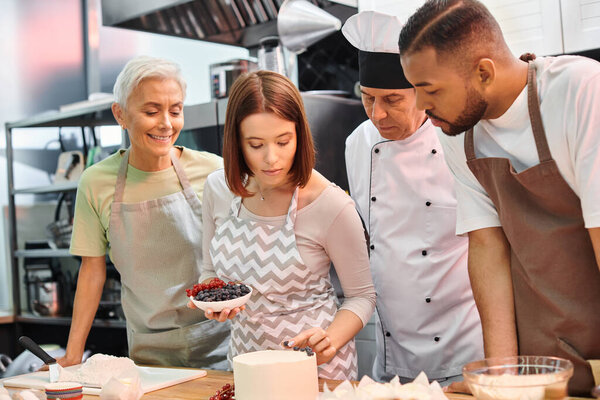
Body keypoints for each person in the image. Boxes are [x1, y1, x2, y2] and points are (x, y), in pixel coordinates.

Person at [398, 0, 600, 396]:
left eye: (430, 90)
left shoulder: (580, 91)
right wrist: (501, 378)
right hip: (544, 355)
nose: (421, 107)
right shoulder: (460, 131)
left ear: (484, 72)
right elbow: (487, 247)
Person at [195, 70, 376, 381]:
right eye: (255, 144)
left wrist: (329, 340)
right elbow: (210, 273)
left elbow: (362, 296)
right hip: (246, 362)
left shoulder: (330, 204)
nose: (271, 158)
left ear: (299, 135)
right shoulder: (218, 189)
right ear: (236, 142)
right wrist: (214, 303)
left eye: (283, 141)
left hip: (317, 368)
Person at [342, 11, 483, 386]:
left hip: (461, 351)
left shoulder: (458, 137)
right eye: (368, 99)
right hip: (391, 355)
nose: (378, 114)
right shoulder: (357, 144)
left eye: (392, 99)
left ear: (421, 92)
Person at [61, 56, 230, 369]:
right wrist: (73, 355)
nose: (166, 123)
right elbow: (91, 271)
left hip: (221, 343)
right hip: (148, 354)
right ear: (120, 114)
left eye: (175, 110)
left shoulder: (214, 171)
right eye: (151, 111)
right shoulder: (96, 182)